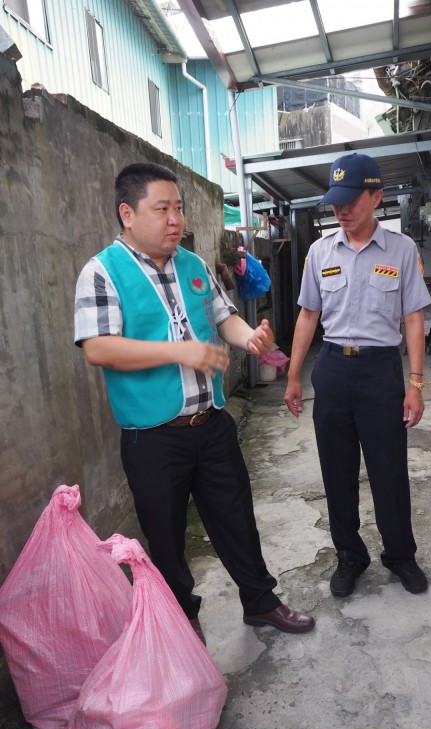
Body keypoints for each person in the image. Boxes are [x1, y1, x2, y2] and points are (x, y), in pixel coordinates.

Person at [74, 162, 315, 643]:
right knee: (166, 541)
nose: (175, 220)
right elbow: (98, 347)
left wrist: (252, 340)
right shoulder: (102, 272)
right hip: (153, 437)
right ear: (127, 213)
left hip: (212, 423)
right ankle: (182, 623)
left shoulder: (194, 265)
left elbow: (224, 318)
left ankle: (260, 602)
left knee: (237, 519)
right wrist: (178, 351)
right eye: (161, 209)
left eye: (178, 208)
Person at [284, 152, 431, 598]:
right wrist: (293, 377)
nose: (341, 210)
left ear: (376, 197)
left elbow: (412, 319)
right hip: (332, 370)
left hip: (381, 372)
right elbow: (309, 315)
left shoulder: (402, 250)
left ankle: (400, 556)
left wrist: (416, 383)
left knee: (388, 470)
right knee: (337, 471)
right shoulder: (320, 251)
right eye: (335, 202)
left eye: (351, 200)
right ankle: (350, 557)